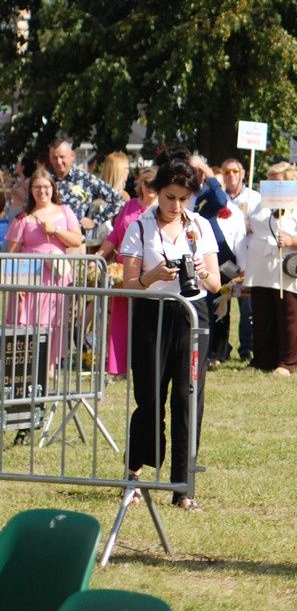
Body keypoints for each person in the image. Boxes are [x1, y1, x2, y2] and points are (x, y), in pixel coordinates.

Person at [119, 155, 220, 510]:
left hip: (193, 314)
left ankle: (183, 487)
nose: (176, 206)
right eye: (170, 197)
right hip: (152, 315)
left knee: (188, 398)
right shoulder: (140, 227)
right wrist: (154, 275)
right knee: (149, 397)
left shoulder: (200, 226)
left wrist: (200, 271)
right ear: (157, 192)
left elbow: (216, 283)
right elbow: (129, 284)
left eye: (183, 198)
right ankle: (133, 475)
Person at [244, 162, 297, 375]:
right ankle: (263, 359)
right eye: (271, 181)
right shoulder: (261, 204)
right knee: (263, 315)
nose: (274, 186)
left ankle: (290, 362)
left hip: (290, 268)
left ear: (291, 182)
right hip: (262, 269)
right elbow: (253, 225)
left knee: (290, 315)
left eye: (278, 182)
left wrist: (292, 240)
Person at [4, 167, 85, 365]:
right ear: (31, 190)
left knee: (54, 321)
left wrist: (55, 230)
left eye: (46, 186)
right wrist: (16, 284)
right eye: (37, 187)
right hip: (28, 278)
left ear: (53, 188)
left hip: (56, 277)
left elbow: (77, 240)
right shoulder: (22, 218)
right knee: (29, 322)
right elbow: (11, 254)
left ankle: (49, 366)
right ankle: (27, 367)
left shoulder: (65, 211)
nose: (42, 191)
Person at [99, 167, 157, 376]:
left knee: (145, 320)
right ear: (140, 184)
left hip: (149, 271)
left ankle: (143, 365)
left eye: (155, 184)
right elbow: (115, 235)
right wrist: (99, 256)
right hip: (123, 269)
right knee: (120, 319)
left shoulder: (161, 209)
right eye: (147, 183)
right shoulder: (129, 205)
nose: (151, 187)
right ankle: (119, 366)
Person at [218, 159, 262, 361]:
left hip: (248, 258)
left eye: (235, 171)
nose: (231, 175)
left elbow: (261, 224)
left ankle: (246, 348)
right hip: (225, 260)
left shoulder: (254, 198)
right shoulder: (218, 198)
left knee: (247, 306)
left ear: (243, 173)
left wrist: (245, 224)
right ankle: (221, 348)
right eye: (227, 172)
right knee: (221, 304)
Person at [45, 137, 122, 233]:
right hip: (48, 238)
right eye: (54, 158)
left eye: (62, 157)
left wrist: (95, 221)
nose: (58, 162)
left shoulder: (86, 179)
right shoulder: (43, 181)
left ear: (72, 155)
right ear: (50, 158)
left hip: (76, 239)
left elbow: (118, 200)